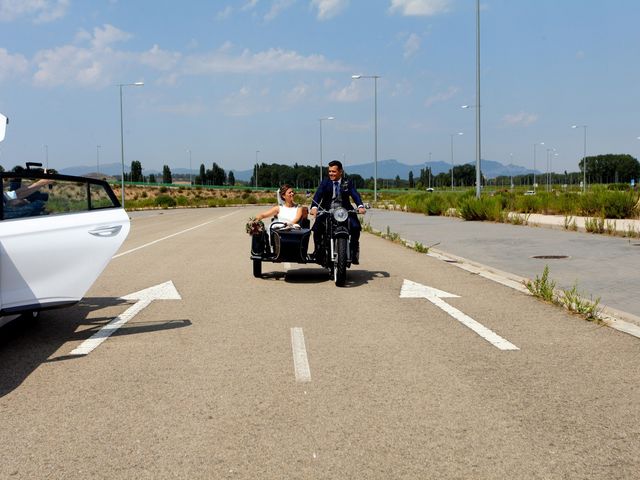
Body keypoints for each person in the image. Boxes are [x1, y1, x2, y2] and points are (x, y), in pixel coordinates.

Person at [310, 160, 365, 264]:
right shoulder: (325, 182)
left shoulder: (347, 182)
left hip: (344, 211)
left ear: (341, 172)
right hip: (327, 210)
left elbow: (355, 194)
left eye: (334, 171)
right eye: (330, 171)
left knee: (356, 226)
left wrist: (360, 206)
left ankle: (354, 251)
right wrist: (314, 207)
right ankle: (318, 251)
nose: (331, 174)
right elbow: (318, 195)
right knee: (317, 228)